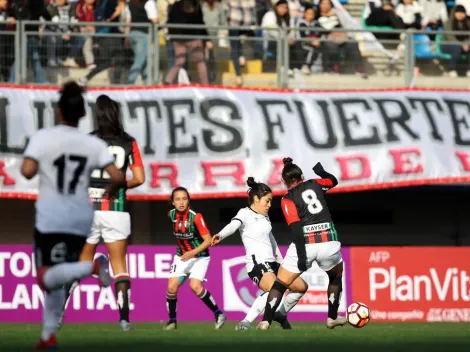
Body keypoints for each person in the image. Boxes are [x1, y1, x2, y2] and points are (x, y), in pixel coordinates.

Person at [21, 81, 125, 349]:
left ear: (58, 110)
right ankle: (48, 336)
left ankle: (92, 266)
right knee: (58, 276)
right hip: (81, 218)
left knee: (46, 276)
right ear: (82, 114)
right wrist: (110, 191)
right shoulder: (92, 143)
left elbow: (27, 171)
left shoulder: (43, 138)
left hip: (51, 217)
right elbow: (118, 176)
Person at [59, 95, 146, 331]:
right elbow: (139, 178)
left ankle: (58, 316)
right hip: (116, 209)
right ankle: (125, 320)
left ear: (96, 115)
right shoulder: (130, 142)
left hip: (88, 209)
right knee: (120, 266)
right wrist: (116, 186)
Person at [257, 157, 346, 330]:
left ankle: (265, 321)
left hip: (305, 242)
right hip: (329, 240)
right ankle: (332, 318)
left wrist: (302, 257)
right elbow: (333, 180)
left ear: (284, 181)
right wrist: (321, 171)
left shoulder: (287, 199)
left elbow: (296, 228)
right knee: (335, 277)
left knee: (281, 283)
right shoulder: (315, 183)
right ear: (302, 176)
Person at [211, 177, 308, 330]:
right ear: (256, 198)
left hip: (273, 263)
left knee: (301, 287)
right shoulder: (244, 213)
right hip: (257, 264)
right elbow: (233, 225)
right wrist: (220, 235)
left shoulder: (265, 216)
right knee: (273, 290)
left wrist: (281, 260)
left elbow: (272, 239)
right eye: (267, 201)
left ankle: (280, 313)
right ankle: (246, 322)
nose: (269, 205)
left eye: (271, 201)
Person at [164, 187, 226, 330]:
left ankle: (219, 314)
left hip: (199, 257)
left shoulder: (196, 217)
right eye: (177, 199)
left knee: (195, 286)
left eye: (184, 199)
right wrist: (186, 254)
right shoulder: (171, 214)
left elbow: (208, 240)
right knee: (171, 287)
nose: (181, 202)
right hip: (181, 257)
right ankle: (172, 321)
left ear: (189, 200)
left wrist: (192, 253)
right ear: (172, 202)